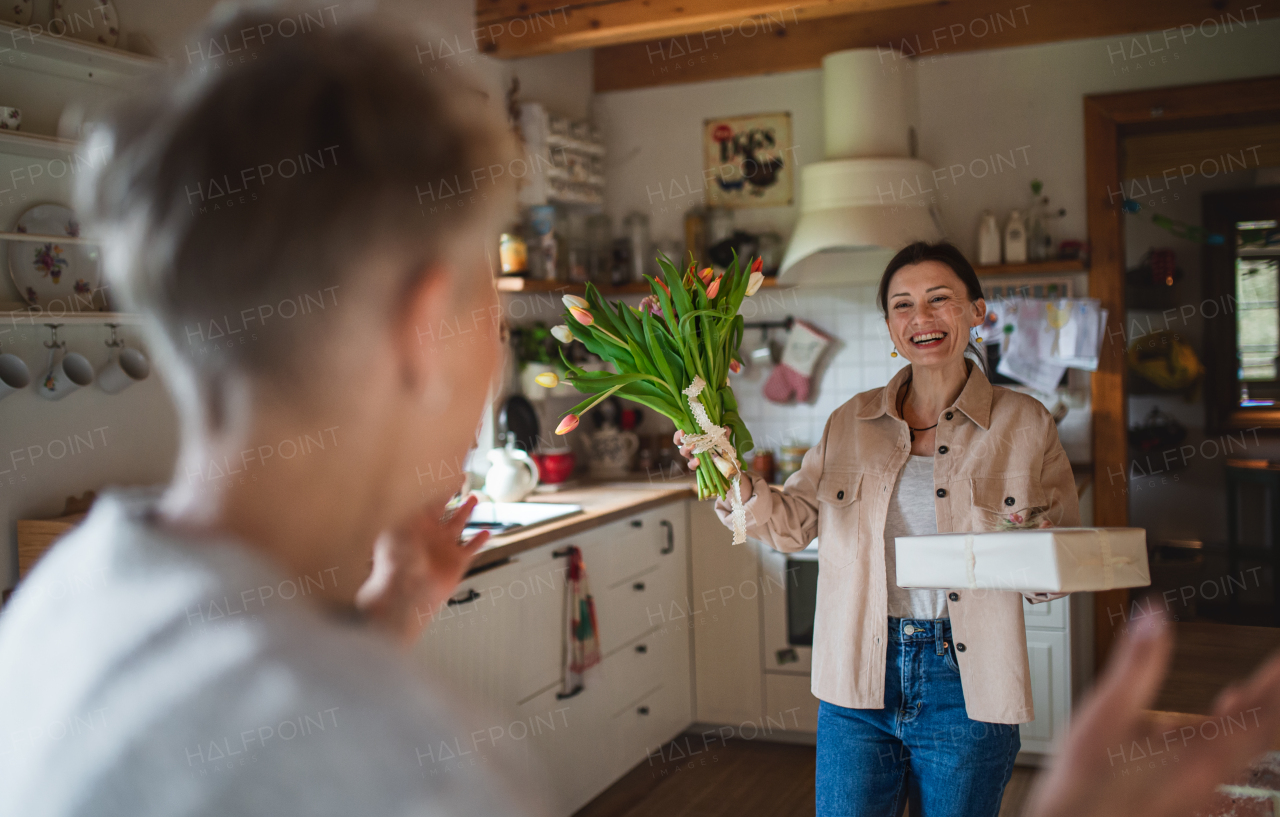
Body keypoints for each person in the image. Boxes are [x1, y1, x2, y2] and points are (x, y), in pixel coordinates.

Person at [0, 7, 544, 817]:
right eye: (491, 312)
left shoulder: (58, 603)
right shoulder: (418, 767)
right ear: (424, 326)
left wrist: (382, 623)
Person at [680, 241, 1078, 816]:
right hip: (856, 673)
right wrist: (733, 483)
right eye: (902, 305)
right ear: (890, 326)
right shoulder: (851, 421)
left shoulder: (1026, 423)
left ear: (977, 312)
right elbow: (794, 526)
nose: (921, 318)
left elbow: (1059, 555)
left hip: (966, 681)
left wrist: (1039, 559)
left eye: (940, 300)